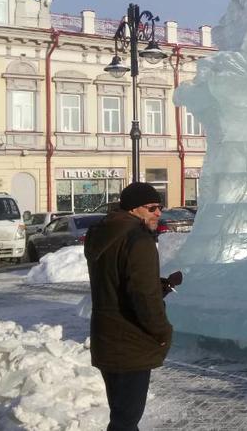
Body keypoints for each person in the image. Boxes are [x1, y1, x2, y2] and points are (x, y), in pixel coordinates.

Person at [85, 182, 174, 431]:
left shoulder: (103, 234)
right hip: (131, 342)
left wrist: (157, 285)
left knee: (122, 416)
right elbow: (143, 297)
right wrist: (162, 332)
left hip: (106, 338)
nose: (159, 213)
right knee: (125, 421)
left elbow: (117, 282)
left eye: (160, 207)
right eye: (152, 208)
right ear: (134, 209)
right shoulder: (139, 240)